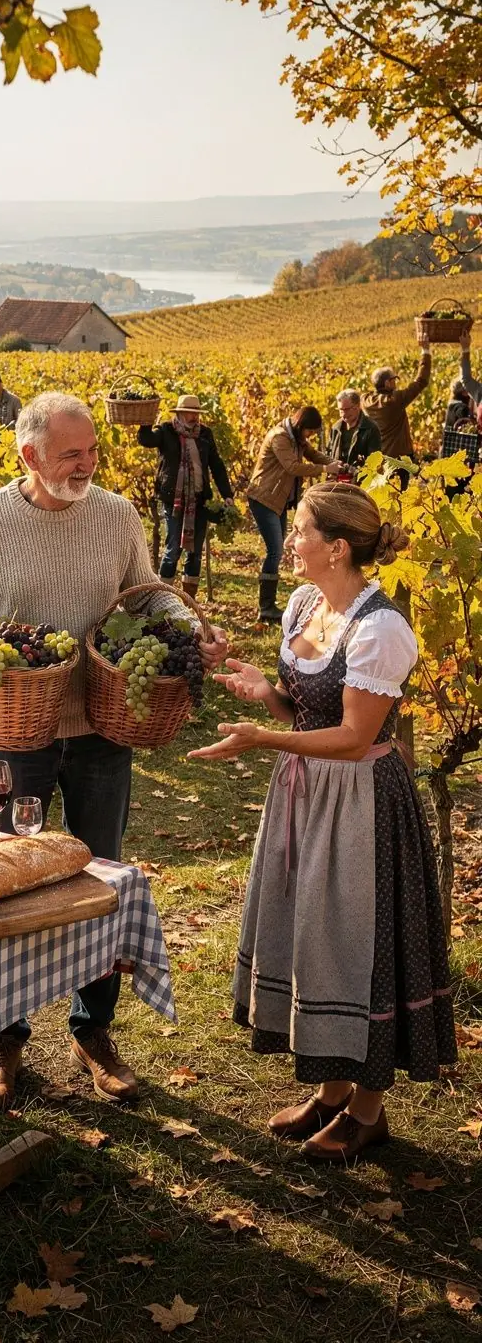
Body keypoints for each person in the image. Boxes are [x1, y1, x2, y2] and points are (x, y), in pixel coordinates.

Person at [0, 391, 227, 1111]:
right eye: (72, 455)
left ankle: (94, 1032)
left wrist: (188, 627)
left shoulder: (117, 515)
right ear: (28, 456)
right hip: (11, 731)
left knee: (98, 881)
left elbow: (149, 598)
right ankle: (5, 1038)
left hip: (98, 727)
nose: (88, 464)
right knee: (2, 889)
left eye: (92, 452)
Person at [188, 483, 456, 1165]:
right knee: (314, 934)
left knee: (352, 943)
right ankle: (334, 1091)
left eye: (301, 530)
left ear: (336, 548)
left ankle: (368, 1112)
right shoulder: (306, 604)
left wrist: (260, 739)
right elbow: (302, 713)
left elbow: (350, 736)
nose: (291, 541)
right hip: (307, 796)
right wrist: (265, 692)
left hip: (362, 802)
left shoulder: (380, 629)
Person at [246, 406, 338, 624]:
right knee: (276, 550)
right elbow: (292, 467)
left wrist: (332, 463)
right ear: (301, 425)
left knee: (276, 550)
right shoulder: (280, 437)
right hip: (263, 497)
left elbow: (312, 454)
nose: (311, 436)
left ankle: (268, 606)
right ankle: (266, 607)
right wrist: (325, 470)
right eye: (310, 431)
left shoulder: (295, 437)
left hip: (276, 500)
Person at [137, 393, 233, 598]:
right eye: (190, 413)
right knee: (173, 549)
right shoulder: (166, 431)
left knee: (195, 552)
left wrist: (227, 494)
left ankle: (189, 601)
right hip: (174, 500)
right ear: (179, 414)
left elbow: (216, 465)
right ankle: (162, 597)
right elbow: (146, 440)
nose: (194, 417)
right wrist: (145, 423)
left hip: (200, 500)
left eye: (196, 413)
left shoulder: (205, 434)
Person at [363, 344, 432, 460]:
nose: (396, 383)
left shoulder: (365, 400)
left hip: (378, 456)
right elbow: (421, 381)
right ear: (387, 383)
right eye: (394, 380)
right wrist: (425, 351)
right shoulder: (395, 400)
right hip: (399, 457)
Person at [326, 389, 382, 477]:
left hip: (360, 482)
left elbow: (375, 461)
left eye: (347, 410)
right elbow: (328, 454)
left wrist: (355, 472)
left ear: (357, 407)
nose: (343, 414)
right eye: (341, 410)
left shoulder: (370, 428)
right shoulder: (336, 428)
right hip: (337, 481)